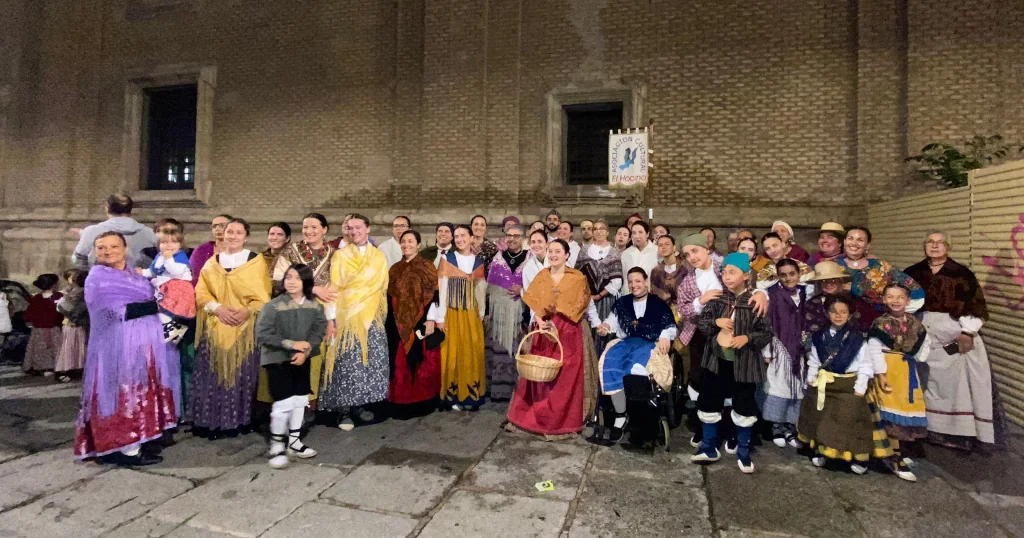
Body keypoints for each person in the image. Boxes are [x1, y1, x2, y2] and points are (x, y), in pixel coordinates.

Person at [74, 231, 178, 466]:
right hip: (115, 348)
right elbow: (115, 311)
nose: (107, 251)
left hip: (143, 348)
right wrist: (157, 305)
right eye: (101, 248)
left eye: (113, 246)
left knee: (139, 393)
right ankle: (123, 449)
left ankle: (140, 440)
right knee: (121, 396)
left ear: (124, 248)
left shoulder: (135, 274)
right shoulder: (97, 277)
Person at [905, 232, 1003, 452]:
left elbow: (974, 304)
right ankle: (927, 429)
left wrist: (968, 332)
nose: (935, 246)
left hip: (955, 334)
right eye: (930, 242)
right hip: (922, 333)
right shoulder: (913, 272)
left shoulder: (961, 273)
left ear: (948, 247)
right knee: (926, 382)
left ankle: (959, 434)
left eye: (940, 243)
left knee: (956, 386)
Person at [691, 253, 773, 473]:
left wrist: (747, 338)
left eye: (732, 272)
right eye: (724, 272)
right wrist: (715, 322)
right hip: (716, 363)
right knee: (709, 402)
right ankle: (709, 447)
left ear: (746, 276)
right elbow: (702, 323)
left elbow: (766, 332)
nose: (727, 277)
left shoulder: (755, 302)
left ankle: (743, 450)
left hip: (744, 365)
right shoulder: (718, 299)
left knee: (744, 406)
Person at [190, 218, 271, 436]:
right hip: (216, 325)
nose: (233, 236)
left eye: (238, 232)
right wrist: (218, 309)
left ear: (246, 236)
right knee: (212, 375)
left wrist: (247, 311)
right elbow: (201, 292)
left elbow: (263, 294)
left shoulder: (256, 261)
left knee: (240, 376)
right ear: (223, 234)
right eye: (229, 232)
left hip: (244, 328)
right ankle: (210, 422)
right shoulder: (212, 263)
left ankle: (237, 422)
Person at [506, 239, 594, 438]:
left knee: (565, 377)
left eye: (558, 252)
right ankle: (537, 417)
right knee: (540, 375)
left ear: (566, 255)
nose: (553, 255)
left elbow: (580, 306)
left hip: (568, 332)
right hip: (545, 330)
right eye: (551, 251)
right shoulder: (542, 276)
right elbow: (535, 304)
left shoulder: (577, 278)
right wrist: (540, 320)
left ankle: (563, 421)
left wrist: (559, 323)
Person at [322, 214, 389, 430]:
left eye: (358, 227)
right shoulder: (341, 255)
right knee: (346, 363)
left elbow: (382, 287)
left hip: (371, 316)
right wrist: (331, 319)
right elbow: (334, 288)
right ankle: (343, 411)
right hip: (347, 315)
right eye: (350, 228)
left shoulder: (379, 256)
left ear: (368, 229)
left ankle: (359, 405)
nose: (354, 231)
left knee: (366, 362)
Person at [797, 296, 876, 476]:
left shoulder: (857, 339)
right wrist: (811, 378)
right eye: (833, 311)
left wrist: (860, 387)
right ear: (826, 313)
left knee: (850, 421)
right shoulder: (819, 336)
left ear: (849, 314)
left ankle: (858, 457)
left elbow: (865, 364)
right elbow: (815, 360)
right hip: (825, 382)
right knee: (822, 419)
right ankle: (823, 450)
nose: (838, 315)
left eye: (843, 312)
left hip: (848, 385)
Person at [256, 263, 326, 469]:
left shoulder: (315, 306)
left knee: (300, 400)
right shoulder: (273, 306)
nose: (291, 282)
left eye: (296, 278)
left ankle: (294, 442)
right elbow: (263, 334)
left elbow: (318, 331)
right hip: (277, 359)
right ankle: (277, 445)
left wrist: (305, 351)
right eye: (288, 277)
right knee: (283, 403)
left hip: (301, 360)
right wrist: (292, 345)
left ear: (306, 282)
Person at [594, 268, 676, 443]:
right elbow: (612, 321)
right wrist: (605, 327)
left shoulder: (658, 303)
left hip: (649, 343)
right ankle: (620, 415)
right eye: (630, 282)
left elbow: (669, 325)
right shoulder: (622, 303)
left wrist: (664, 336)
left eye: (638, 281)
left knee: (638, 370)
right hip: (626, 343)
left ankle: (641, 416)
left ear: (646, 282)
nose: (634, 285)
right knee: (611, 366)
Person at [270, 214, 339, 408]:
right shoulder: (291, 252)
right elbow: (278, 281)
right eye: (305, 227)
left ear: (324, 230)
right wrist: (313, 289)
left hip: (319, 316)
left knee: (316, 359)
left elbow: (334, 290)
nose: (308, 231)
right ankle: (290, 405)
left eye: (314, 227)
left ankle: (312, 404)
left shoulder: (334, 254)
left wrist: (331, 319)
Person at [867, 284, 932, 458]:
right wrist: (881, 373)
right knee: (887, 406)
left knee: (906, 405)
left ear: (908, 300)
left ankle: (903, 450)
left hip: (906, 370)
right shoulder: (880, 324)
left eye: (900, 297)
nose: (895, 301)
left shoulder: (915, 324)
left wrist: (918, 357)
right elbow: (874, 349)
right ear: (884, 299)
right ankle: (888, 449)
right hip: (888, 370)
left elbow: (925, 343)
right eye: (890, 297)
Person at [386, 230, 443, 416]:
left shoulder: (427, 266)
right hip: (397, 321)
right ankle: (399, 402)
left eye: (411, 241)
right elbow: (389, 296)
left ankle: (421, 402)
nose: (406, 245)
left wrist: (430, 319)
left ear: (418, 244)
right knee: (398, 362)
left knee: (420, 362)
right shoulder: (394, 269)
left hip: (421, 320)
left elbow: (435, 295)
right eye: (403, 241)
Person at [436, 225, 488, 410]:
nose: (459, 239)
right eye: (456, 236)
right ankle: (453, 396)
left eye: (462, 235)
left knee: (472, 351)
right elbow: (441, 289)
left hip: (471, 314)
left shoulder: (478, 262)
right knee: (453, 353)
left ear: (471, 237)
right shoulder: (447, 259)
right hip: (452, 313)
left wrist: (481, 314)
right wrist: (440, 317)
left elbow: (481, 290)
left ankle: (471, 396)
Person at [762, 259, 809, 449]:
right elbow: (768, 322)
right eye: (783, 274)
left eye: (792, 274)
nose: (788, 278)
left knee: (797, 388)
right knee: (778, 386)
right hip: (779, 346)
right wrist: (767, 350)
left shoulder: (806, 293)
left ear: (799, 274)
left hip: (801, 347)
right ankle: (776, 425)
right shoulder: (772, 295)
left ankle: (791, 426)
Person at [836, 226, 924, 326]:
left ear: (867, 245)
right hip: (840, 326)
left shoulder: (881, 266)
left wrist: (897, 312)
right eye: (850, 238)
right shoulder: (833, 266)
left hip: (877, 326)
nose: (854, 243)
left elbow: (916, 291)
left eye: (860, 240)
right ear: (844, 241)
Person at [485, 223, 528, 400]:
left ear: (522, 239)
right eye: (509, 235)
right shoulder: (497, 259)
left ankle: (518, 392)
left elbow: (536, 285)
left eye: (516, 236)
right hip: (499, 315)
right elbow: (489, 288)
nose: (512, 239)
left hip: (520, 314)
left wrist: (522, 290)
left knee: (517, 352)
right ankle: (498, 392)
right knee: (498, 351)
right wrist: (488, 312)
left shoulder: (530, 258)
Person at [72, 194, 158, 270]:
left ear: (107, 209)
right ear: (130, 210)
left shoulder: (91, 231)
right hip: (139, 283)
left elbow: (79, 259)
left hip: (102, 283)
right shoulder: (150, 233)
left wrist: (90, 273)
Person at [575, 220, 622, 355]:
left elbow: (617, 281)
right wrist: (588, 296)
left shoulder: (614, 252)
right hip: (586, 300)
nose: (599, 231)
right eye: (596, 229)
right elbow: (578, 277)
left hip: (606, 300)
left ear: (607, 232)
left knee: (605, 333)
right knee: (588, 335)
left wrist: (600, 295)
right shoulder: (584, 251)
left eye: (602, 228)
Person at [141, 229, 195, 343]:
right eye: (164, 243)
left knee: (171, 311)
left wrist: (169, 259)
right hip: (164, 286)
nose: (169, 245)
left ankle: (175, 330)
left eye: (174, 242)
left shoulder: (180, 258)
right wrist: (142, 272)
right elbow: (154, 271)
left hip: (178, 289)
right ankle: (165, 329)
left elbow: (175, 272)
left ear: (180, 245)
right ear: (158, 245)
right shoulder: (160, 256)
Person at [803, 261, 874, 339]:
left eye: (833, 280)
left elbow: (865, 327)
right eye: (823, 281)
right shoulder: (812, 305)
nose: (828, 284)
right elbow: (811, 332)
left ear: (841, 281)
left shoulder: (856, 301)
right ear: (818, 284)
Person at [22, 273, 63, 375]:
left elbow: (28, 314)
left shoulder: (35, 298)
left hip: (38, 329)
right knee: (54, 348)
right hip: (54, 329)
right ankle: (54, 367)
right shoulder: (58, 297)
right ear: (54, 285)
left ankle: (39, 367)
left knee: (39, 349)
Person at [55, 270, 88, 382]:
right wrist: (75, 316)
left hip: (71, 324)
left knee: (72, 348)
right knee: (74, 348)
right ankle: (66, 370)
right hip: (75, 324)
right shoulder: (81, 293)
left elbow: (60, 306)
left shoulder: (73, 291)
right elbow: (71, 308)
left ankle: (72, 369)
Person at [189, 214, 233, 286]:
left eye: (222, 225)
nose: (217, 229)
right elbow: (194, 276)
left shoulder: (239, 251)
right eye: (214, 226)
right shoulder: (201, 250)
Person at [620, 221, 658, 294]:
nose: (637, 236)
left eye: (640, 232)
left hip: (651, 295)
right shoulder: (626, 254)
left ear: (647, 234)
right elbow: (625, 278)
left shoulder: (656, 251)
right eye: (634, 233)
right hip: (630, 295)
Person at [650, 235, 685, 307]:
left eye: (667, 244)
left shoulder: (685, 268)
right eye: (660, 245)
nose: (663, 247)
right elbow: (654, 295)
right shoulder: (656, 272)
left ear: (674, 247)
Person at [522, 229, 550, 294]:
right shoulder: (527, 267)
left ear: (547, 244)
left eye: (540, 241)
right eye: (533, 242)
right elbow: (528, 291)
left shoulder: (558, 260)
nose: (536, 245)